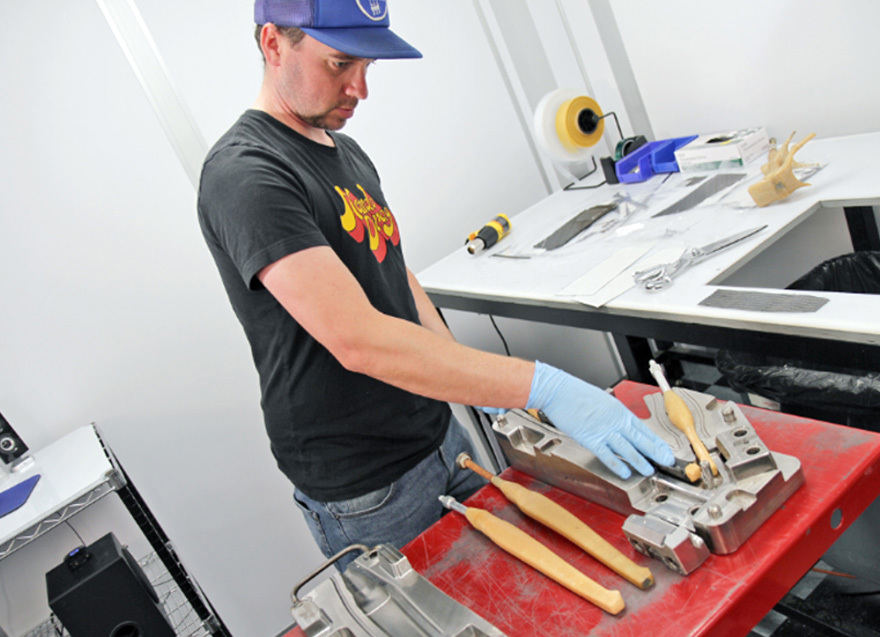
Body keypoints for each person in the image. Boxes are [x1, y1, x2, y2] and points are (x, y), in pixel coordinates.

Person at [198, 0, 674, 570]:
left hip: (436, 434)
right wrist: (539, 386)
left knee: (510, 590)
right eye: (340, 63)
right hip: (367, 485)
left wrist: (474, 384)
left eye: (368, 66)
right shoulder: (246, 174)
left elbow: (393, 269)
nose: (360, 89)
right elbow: (359, 340)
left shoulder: (343, 150)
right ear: (274, 43)